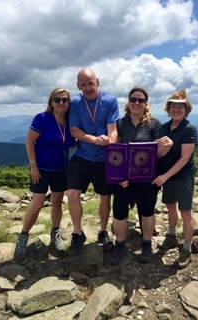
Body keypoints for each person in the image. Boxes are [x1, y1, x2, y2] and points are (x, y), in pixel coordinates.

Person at [109, 86, 173, 266]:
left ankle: (146, 244)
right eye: (133, 99)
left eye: (141, 100)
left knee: (147, 210)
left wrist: (166, 145)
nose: (137, 103)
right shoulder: (120, 124)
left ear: (146, 104)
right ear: (128, 103)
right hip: (125, 178)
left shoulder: (155, 124)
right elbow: (115, 151)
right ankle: (119, 245)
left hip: (148, 177)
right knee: (120, 211)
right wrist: (118, 176)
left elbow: (160, 152)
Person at [15, 88, 75, 260]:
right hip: (41, 170)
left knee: (57, 202)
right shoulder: (43, 119)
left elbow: (72, 142)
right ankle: (23, 236)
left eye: (65, 100)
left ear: (69, 103)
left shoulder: (70, 121)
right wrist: (33, 166)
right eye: (57, 100)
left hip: (61, 169)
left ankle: (55, 233)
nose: (61, 103)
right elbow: (29, 141)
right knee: (37, 204)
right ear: (51, 102)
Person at [66, 68, 120, 255]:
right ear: (78, 86)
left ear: (98, 81)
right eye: (83, 84)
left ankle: (103, 231)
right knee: (72, 194)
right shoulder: (75, 103)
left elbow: (112, 128)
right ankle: (77, 232)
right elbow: (74, 131)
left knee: (105, 196)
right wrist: (95, 139)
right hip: (83, 155)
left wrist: (110, 142)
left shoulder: (110, 100)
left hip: (105, 157)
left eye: (91, 83)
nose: (88, 87)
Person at [153, 89, 198, 269]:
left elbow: (184, 158)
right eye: (173, 106)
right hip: (168, 177)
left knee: (186, 212)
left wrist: (164, 176)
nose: (176, 110)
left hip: (183, 176)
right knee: (170, 206)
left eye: (181, 107)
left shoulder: (189, 129)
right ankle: (172, 236)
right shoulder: (164, 128)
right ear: (168, 109)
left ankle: (187, 249)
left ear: (186, 110)